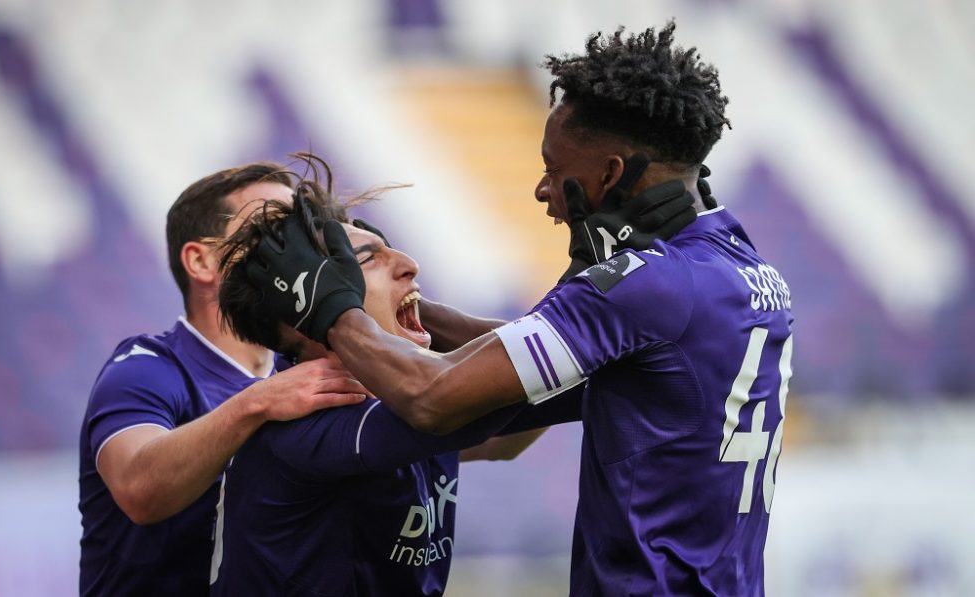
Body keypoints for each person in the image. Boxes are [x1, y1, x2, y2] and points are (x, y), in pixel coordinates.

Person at [247, 22, 794, 596]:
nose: (542, 189)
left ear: (609, 173)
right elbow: (537, 347)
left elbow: (431, 398)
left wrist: (334, 305)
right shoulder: (738, 262)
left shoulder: (644, 286)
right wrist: (412, 307)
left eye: (556, 170)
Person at [77, 163, 368, 596]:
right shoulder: (146, 368)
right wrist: (257, 402)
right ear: (202, 260)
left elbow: (491, 440)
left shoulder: (301, 371)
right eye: (270, 228)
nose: (295, 249)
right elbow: (139, 491)